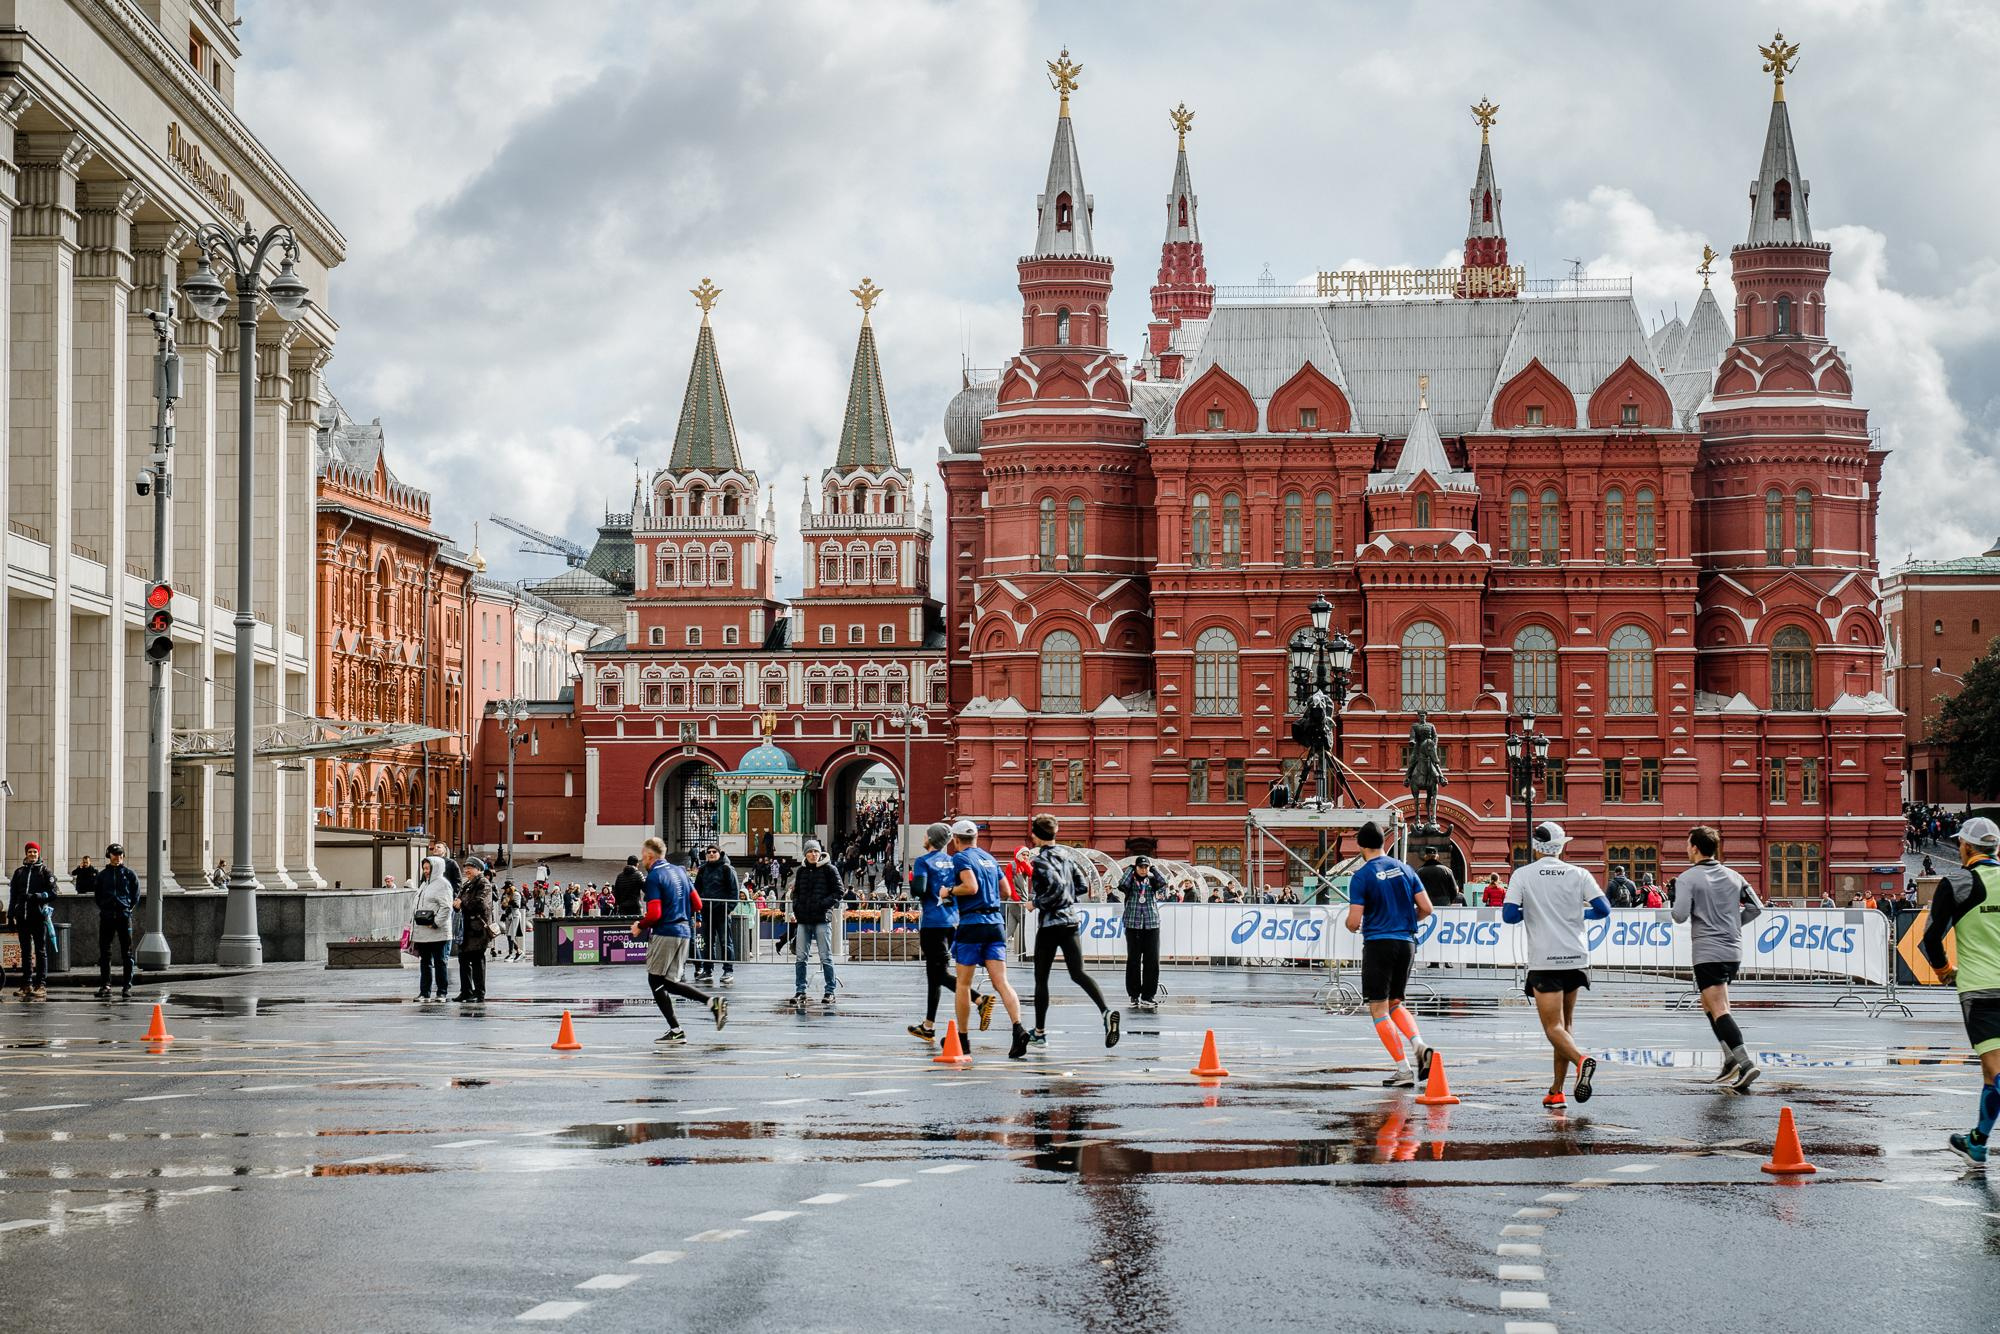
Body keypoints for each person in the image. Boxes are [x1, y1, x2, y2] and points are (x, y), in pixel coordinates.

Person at [1504, 821, 1610, 1108]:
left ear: (1535, 846)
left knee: (1552, 1028)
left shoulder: (1523, 875)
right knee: (1565, 1026)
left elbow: (1509, 916)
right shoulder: (1580, 873)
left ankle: (1582, 1060)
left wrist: (1534, 910)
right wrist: (1579, 916)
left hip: (1545, 958)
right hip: (1576, 957)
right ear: (1562, 846)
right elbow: (1603, 909)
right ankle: (1557, 1090)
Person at [1919, 815, 2000, 1168]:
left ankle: (1977, 1143)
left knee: (1996, 1070)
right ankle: (1977, 1142)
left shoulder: (1959, 881)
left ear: (1965, 847)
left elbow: (1931, 936)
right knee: (1990, 1074)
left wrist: (1943, 971)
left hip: (1980, 988)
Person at [1670, 826, 1765, 1091]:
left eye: (1688, 844)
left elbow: (1678, 915)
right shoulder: (1735, 876)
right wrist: (1733, 924)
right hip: (1733, 949)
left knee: (1720, 1008)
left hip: (1707, 952)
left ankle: (1745, 1062)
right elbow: (1756, 908)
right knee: (1709, 1005)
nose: (1686, 849)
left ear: (1695, 848)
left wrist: (1673, 896)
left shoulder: (1687, 878)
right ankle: (1730, 1057)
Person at [1344, 821, 1436, 1087]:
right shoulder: (1406, 869)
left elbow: (1353, 920)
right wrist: (1407, 919)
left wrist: (1350, 925)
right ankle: (1419, 1045)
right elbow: (1427, 908)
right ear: (1384, 843)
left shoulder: (1362, 876)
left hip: (1378, 943)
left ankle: (1403, 1070)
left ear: (1361, 845)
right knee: (1396, 1002)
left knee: (1378, 1007)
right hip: (1406, 942)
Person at [1024, 814, 1118, 1050]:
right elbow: (1082, 885)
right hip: (1070, 922)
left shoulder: (1041, 861)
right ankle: (1105, 1012)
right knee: (1078, 973)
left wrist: (1036, 903)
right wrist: (1067, 898)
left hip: (1050, 925)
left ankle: (1040, 1033)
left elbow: (1056, 889)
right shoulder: (1067, 857)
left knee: (1041, 979)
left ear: (1036, 835)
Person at [946, 818, 1029, 1058]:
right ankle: (1018, 1028)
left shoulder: (960, 858)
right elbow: (1005, 890)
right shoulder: (989, 858)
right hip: (996, 924)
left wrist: (950, 891)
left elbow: (970, 887)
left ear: (956, 839)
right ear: (976, 838)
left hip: (972, 924)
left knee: (963, 983)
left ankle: (963, 1039)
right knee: (1001, 982)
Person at [630, 836, 726, 1043]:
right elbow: (697, 904)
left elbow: (654, 913)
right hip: (684, 931)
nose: (642, 861)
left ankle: (676, 1029)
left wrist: (640, 925)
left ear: (649, 856)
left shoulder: (655, 876)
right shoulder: (680, 871)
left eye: (642, 857)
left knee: (655, 980)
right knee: (669, 982)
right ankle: (711, 1003)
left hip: (665, 931)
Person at [908, 823, 991, 1041]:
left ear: (931, 839)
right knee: (934, 974)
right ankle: (928, 1025)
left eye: (926, 835)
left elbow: (919, 889)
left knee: (938, 973)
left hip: (933, 923)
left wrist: (914, 881)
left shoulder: (923, 861)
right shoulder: (955, 861)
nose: (924, 837)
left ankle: (979, 999)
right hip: (954, 921)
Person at [788, 840, 843, 1005]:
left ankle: (830, 991)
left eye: (816, 851)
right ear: (805, 854)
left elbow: (839, 891)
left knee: (825, 956)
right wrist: (797, 907)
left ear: (820, 853)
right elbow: (796, 892)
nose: (813, 854)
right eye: (810, 851)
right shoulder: (801, 871)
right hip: (804, 919)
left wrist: (823, 905)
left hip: (820, 919)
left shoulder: (829, 869)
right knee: (800, 958)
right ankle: (800, 990)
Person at [1118, 855, 1168, 1010]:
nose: (1143, 869)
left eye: (1146, 867)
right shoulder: (1131, 882)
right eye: (1141, 867)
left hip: (1151, 925)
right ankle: (1134, 995)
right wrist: (1130, 869)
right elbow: (1122, 884)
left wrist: (1154, 868)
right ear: (1136, 867)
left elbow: (1163, 882)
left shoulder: (1152, 881)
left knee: (1152, 961)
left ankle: (1148, 995)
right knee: (1133, 961)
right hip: (1133, 926)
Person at [93, 844, 142, 1000]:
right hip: (107, 917)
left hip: (123, 916)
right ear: (109, 856)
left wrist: (126, 908)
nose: (117, 857)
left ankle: (127, 986)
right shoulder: (102, 875)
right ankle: (106, 985)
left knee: (126, 953)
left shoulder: (129, 874)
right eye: (114, 855)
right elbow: (98, 896)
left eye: (120, 855)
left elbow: (136, 895)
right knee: (105, 953)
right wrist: (106, 908)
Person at [9, 842, 57, 998]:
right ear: (26, 853)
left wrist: (38, 896)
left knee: (40, 951)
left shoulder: (45, 872)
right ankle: (27, 984)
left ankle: (41, 984)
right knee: (26, 952)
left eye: (35, 852)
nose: (32, 854)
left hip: (38, 917)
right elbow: (13, 896)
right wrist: (11, 915)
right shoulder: (19, 873)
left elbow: (53, 893)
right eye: (30, 852)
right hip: (22, 917)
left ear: (38, 854)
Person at [409, 856, 454, 1002]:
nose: (425, 871)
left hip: (437, 931)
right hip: (423, 931)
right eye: (424, 868)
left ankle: (441, 992)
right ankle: (425, 992)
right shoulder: (424, 884)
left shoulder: (443, 884)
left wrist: (436, 923)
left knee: (440, 962)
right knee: (425, 962)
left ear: (437, 868)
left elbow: (446, 907)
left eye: (428, 868)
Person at [693, 845, 740, 986]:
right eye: (709, 852)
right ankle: (708, 970)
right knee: (708, 943)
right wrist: (699, 907)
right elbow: (697, 889)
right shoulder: (703, 869)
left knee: (726, 942)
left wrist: (728, 909)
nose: (711, 854)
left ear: (719, 853)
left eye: (714, 852)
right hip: (707, 911)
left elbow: (734, 891)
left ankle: (728, 970)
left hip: (722, 912)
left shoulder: (727, 869)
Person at [455, 858, 495, 1003]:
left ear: (478, 869)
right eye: (465, 868)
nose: (466, 871)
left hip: (478, 929)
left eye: (470, 868)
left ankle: (479, 993)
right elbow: (457, 901)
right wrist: (457, 904)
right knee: (463, 960)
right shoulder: (467, 884)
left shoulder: (483, 883)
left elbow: (481, 903)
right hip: (465, 928)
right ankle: (466, 991)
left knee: (478, 961)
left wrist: (462, 904)